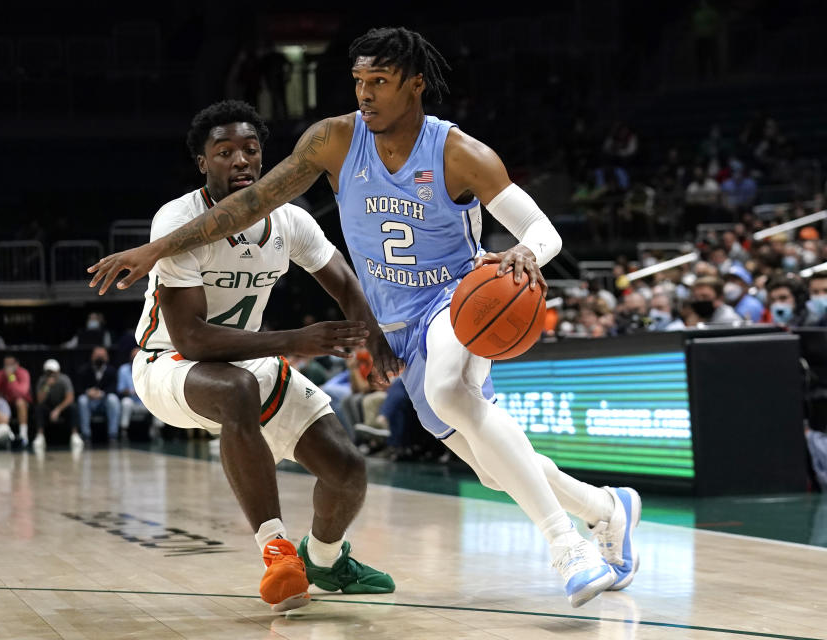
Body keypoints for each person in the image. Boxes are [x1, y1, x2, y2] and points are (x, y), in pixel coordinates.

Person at [87, 31, 639, 608]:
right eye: (359, 81)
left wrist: (527, 252)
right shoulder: (334, 140)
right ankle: (606, 508)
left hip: (457, 303)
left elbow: (542, 230)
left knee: (449, 392)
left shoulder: (458, 153)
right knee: (497, 469)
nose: (366, 94)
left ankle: (566, 549)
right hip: (393, 327)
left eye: (380, 82)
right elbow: (249, 206)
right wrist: (153, 251)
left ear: (415, 84)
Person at [115, 99, 394, 612]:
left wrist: (374, 339)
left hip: (249, 357)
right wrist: (296, 340)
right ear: (203, 163)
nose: (240, 160)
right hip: (168, 364)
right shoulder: (178, 221)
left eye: (250, 149)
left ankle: (326, 561)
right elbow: (193, 340)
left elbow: (348, 287)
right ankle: (277, 551)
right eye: (224, 152)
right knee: (237, 389)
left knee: (348, 470)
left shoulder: (289, 220)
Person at [33, 358, 81, 452]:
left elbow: (70, 398)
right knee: (39, 408)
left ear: (58, 372)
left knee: (73, 407)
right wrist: (47, 386)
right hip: (48, 408)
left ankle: (75, 435)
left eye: (53, 372)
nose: (51, 375)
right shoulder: (42, 381)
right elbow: (40, 400)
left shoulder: (64, 379)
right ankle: (40, 436)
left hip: (62, 408)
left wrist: (58, 410)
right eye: (48, 373)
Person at [75, 346, 121, 443]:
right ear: (92, 357)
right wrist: (88, 392)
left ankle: (113, 434)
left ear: (107, 357)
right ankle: (86, 435)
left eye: (102, 356)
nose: (99, 358)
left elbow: (114, 388)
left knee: (113, 399)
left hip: (104, 401)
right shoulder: (83, 370)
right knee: (82, 400)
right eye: (97, 356)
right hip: (89, 401)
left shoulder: (112, 371)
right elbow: (78, 388)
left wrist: (102, 393)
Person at [117, 347, 163, 440]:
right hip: (132, 401)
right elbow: (120, 389)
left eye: (137, 358)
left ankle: (156, 429)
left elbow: (155, 387)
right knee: (126, 402)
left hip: (145, 401)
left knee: (157, 400)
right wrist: (131, 391)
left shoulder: (150, 368)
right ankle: (124, 430)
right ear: (130, 358)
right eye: (133, 357)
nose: (135, 360)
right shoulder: (123, 369)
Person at [0, 355, 31, 447]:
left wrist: (11, 377)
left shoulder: (23, 373)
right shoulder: (0, 374)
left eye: (10, 364)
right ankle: (4, 435)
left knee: (20, 402)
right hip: (6, 403)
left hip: (21, 402)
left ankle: (23, 436)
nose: (7, 367)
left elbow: (20, 393)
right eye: (6, 364)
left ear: (16, 364)